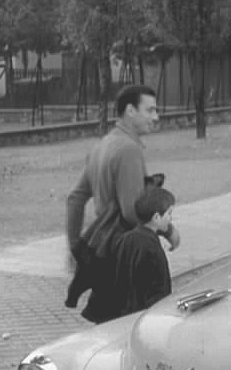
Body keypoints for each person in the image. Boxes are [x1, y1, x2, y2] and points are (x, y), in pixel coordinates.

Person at [65, 84, 180, 323]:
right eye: (150, 110)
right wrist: (169, 231)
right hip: (126, 254)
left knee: (106, 325)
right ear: (130, 110)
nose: (155, 117)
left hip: (104, 251)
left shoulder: (102, 146)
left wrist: (76, 246)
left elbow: (75, 200)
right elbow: (131, 211)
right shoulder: (129, 149)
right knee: (133, 326)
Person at [113, 187, 175, 316]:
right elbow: (160, 293)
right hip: (143, 317)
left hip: (121, 316)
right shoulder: (152, 249)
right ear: (157, 217)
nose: (171, 219)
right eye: (169, 213)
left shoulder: (125, 239)